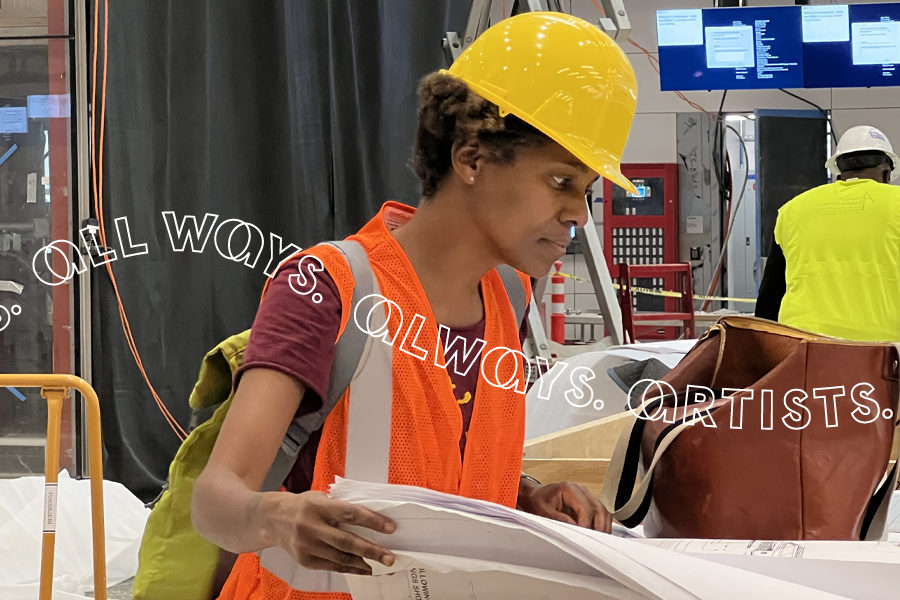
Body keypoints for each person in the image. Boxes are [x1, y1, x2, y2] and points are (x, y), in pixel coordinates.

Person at [191, 12, 638, 600]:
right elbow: (215, 497)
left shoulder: (508, 297)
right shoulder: (329, 287)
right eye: (560, 181)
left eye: (586, 192)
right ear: (472, 158)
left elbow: (439, 463)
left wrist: (523, 492)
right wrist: (273, 517)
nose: (578, 213)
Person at [756, 125, 900, 341]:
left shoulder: (793, 210)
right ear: (887, 173)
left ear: (839, 172)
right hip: (886, 353)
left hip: (805, 349)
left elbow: (769, 300)